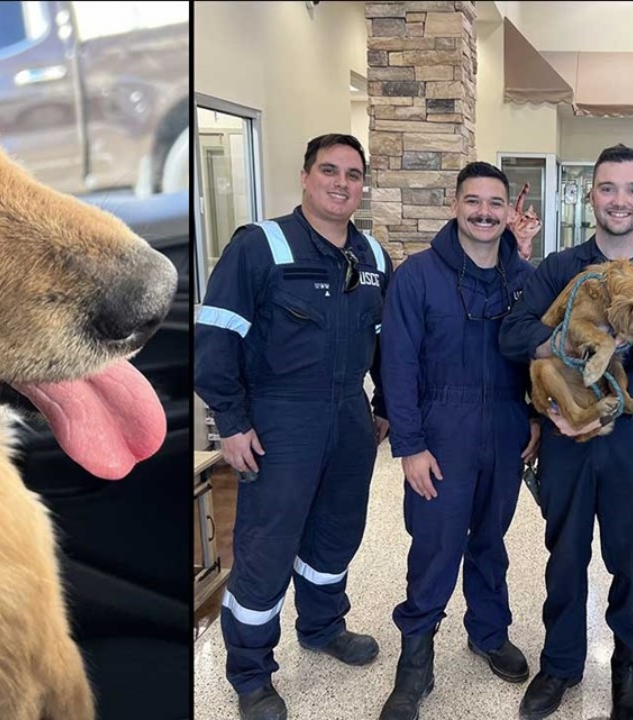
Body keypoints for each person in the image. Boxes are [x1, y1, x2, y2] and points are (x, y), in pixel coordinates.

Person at [193, 133, 392, 720]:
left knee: (336, 533)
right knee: (267, 546)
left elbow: (386, 343)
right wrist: (230, 421)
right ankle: (251, 673)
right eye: (328, 170)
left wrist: (383, 406)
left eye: (353, 174)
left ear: (362, 186)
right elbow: (216, 338)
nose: (341, 182)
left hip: (349, 417)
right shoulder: (260, 246)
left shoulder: (374, 257)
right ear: (305, 177)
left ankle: (323, 625)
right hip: (281, 419)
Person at [500, 144, 633, 720]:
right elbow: (514, 336)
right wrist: (561, 400)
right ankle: (560, 663)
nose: (619, 200)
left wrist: (613, 410)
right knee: (564, 553)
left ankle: (629, 665)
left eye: (632, 189)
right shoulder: (565, 269)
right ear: (592, 195)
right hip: (567, 433)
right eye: (607, 188)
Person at [376, 161, 540, 720]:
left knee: (491, 539)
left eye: (495, 203)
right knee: (435, 545)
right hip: (441, 428)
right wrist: (410, 445)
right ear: (455, 205)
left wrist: (536, 417)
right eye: (474, 201)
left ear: (508, 213)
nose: (485, 212)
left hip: (507, 425)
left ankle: (489, 633)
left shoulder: (522, 279)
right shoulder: (417, 275)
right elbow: (395, 365)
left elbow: (539, 356)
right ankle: (415, 662)